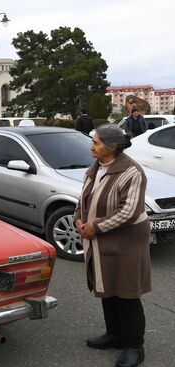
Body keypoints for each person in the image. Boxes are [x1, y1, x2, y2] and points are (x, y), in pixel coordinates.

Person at [74, 124, 151, 367]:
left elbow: (128, 212)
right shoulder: (95, 168)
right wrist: (78, 218)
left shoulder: (132, 172)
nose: (92, 146)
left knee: (126, 292)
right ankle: (115, 335)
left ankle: (134, 347)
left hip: (126, 240)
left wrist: (94, 227)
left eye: (96, 143)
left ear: (112, 147)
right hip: (101, 239)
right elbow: (83, 198)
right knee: (107, 286)